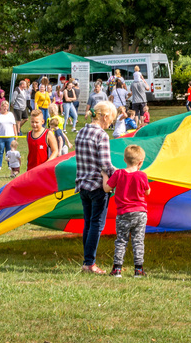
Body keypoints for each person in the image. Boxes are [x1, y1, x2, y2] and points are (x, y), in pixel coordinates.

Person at [76, 100, 117, 274]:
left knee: (88, 223)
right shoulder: (101, 135)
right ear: (105, 116)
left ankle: (87, 260)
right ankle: (89, 263)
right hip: (98, 187)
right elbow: (106, 163)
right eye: (111, 120)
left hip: (83, 185)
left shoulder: (81, 131)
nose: (110, 124)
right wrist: (120, 174)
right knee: (96, 225)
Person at [102, 144, 150, 278]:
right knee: (138, 241)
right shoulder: (142, 175)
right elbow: (147, 191)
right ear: (140, 162)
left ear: (124, 160)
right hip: (140, 213)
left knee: (121, 241)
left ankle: (117, 269)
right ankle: (138, 270)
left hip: (123, 214)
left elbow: (107, 188)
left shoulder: (118, 174)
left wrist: (104, 174)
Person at [0, 101, 17, 171]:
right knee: (0, 151)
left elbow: (14, 125)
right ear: (1, 106)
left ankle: (10, 165)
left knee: (10, 151)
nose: (5, 107)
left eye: (6, 106)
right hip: (0, 136)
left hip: (10, 136)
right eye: (4, 106)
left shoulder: (11, 114)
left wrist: (16, 134)